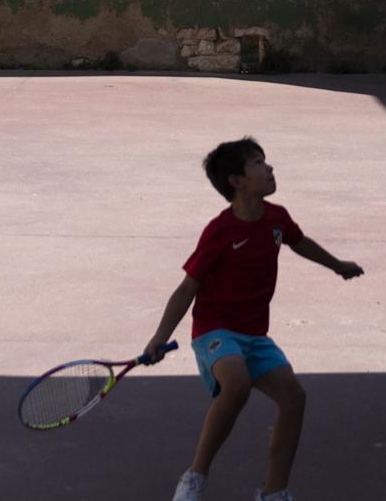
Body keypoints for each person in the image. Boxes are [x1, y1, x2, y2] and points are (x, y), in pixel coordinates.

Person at [147, 138, 364, 501]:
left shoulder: (276, 217)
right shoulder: (219, 231)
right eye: (259, 163)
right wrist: (159, 336)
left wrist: (337, 266)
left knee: (294, 398)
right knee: (237, 383)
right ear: (238, 181)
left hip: (254, 335)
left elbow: (300, 242)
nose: (270, 168)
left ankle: (275, 492)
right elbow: (187, 288)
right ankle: (195, 477)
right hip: (215, 331)